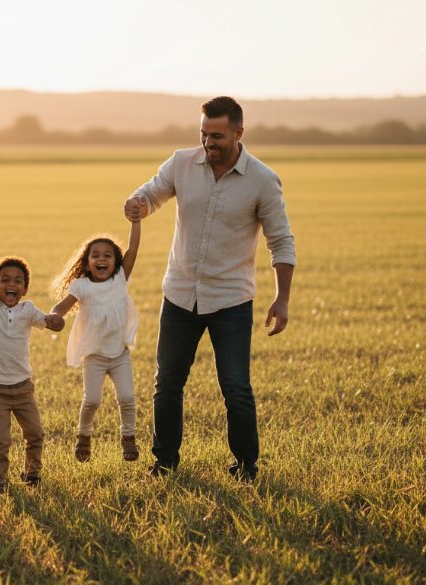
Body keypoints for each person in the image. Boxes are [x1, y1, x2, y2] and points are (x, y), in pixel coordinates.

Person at [124, 96, 296, 482]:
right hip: (180, 294)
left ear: (238, 133)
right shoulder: (181, 163)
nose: (208, 143)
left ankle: (246, 465)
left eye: (216, 135)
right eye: (203, 134)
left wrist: (282, 298)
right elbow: (151, 193)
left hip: (231, 300)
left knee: (235, 387)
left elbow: (281, 241)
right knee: (167, 383)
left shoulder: (262, 181)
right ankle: (165, 461)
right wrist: (136, 204)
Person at [0, 242, 64, 492]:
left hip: (23, 388)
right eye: (5, 280)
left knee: (35, 434)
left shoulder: (28, 310)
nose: (11, 284)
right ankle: (0, 480)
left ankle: (32, 475)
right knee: (0, 439)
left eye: (18, 281)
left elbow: (51, 324)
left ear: (25, 289)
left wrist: (56, 322)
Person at [49, 218, 141, 463]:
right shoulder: (82, 286)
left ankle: (129, 438)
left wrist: (136, 222)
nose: (102, 259)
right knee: (92, 400)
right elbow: (62, 306)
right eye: (96, 256)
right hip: (94, 356)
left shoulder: (120, 279)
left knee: (127, 398)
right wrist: (54, 316)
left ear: (116, 261)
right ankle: (84, 436)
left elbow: (133, 248)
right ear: (87, 264)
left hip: (120, 354)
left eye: (108, 255)